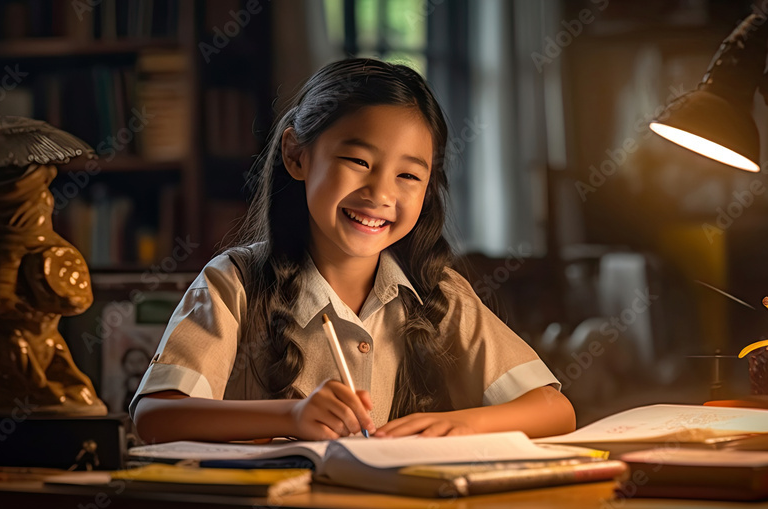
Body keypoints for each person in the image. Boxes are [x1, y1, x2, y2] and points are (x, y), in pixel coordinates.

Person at [131, 58, 575, 443]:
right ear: (296, 155)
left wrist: (465, 426)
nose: (380, 193)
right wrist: (292, 416)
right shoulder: (235, 282)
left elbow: (555, 410)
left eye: (408, 176)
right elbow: (155, 417)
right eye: (358, 162)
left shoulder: (437, 292)